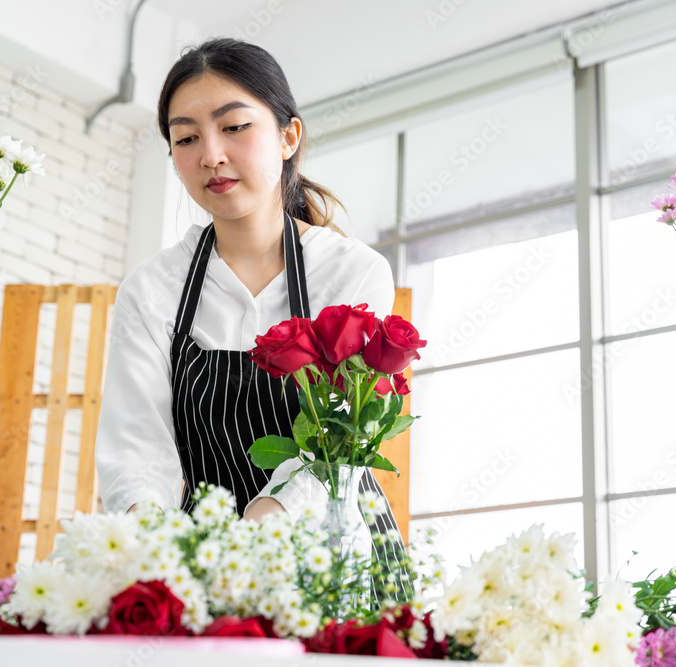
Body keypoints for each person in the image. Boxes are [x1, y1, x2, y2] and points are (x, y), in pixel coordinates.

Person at [93, 38, 412, 606]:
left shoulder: (352, 272)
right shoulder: (151, 289)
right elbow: (136, 449)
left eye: (234, 127)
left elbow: (338, 437)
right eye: (186, 138)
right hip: (197, 564)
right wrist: (166, 557)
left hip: (326, 551)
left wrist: (266, 523)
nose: (211, 154)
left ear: (289, 137)